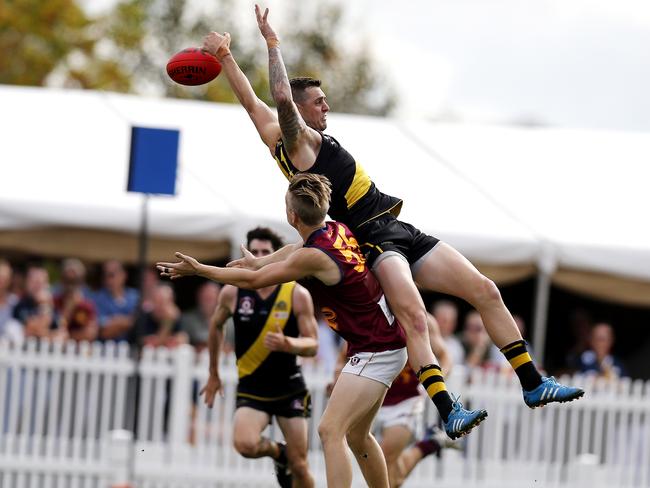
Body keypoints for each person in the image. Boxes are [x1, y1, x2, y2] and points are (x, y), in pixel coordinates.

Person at [200, 5, 583, 410]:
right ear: (299, 109)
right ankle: (447, 409)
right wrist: (271, 42)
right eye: (319, 101)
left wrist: (225, 56)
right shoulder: (299, 141)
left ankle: (532, 382)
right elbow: (278, 95)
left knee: (485, 289)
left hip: (397, 227)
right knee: (414, 317)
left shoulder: (273, 134)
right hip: (372, 241)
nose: (326, 107)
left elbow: (249, 100)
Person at [157, 174, 486, 488]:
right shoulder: (333, 228)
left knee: (330, 431)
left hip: (377, 346)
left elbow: (256, 281)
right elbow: (291, 251)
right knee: (357, 436)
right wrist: (260, 261)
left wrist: (199, 269)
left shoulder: (315, 255)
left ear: (291, 215)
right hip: (378, 340)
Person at [200, 227, 318, 488]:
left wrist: (289, 343)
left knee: (299, 465)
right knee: (245, 444)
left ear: (276, 256)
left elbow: (312, 345)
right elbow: (215, 325)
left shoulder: (296, 294)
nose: (259, 256)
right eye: (254, 251)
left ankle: (289, 460)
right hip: (253, 387)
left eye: (265, 252)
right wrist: (213, 373)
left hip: (289, 387)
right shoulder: (233, 292)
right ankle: (278, 453)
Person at [375, 313, 458, 488]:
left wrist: (436, 383)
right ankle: (430, 443)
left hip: (407, 399)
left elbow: (444, 355)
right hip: (374, 399)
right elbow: (343, 355)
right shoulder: (370, 311)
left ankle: (430, 443)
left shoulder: (422, 318)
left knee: (382, 458)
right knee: (394, 478)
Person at [93, 260, 139, 342]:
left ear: (123, 275)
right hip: (104, 349)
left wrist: (115, 322)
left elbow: (138, 324)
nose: (108, 280)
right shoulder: (98, 298)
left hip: (131, 348)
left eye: (111, 275)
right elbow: (103, 331)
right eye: (105, 276)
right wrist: (127, 322)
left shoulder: (135, 297)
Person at [180, 281, 220, 352]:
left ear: (218, 299)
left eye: (210, 298)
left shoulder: (229, 321)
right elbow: (182, 341)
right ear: (198, 296)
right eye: (205, 297)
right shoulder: (187, 318)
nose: (207, 302)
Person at [431, 300, 465, 366]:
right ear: (433, 319)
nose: (448, 325)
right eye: (444, 320)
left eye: (452, 321)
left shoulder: (456, 345)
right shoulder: (424, 341)